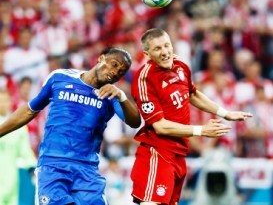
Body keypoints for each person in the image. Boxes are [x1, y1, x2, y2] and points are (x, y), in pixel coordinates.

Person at [0, 46, 141, 205]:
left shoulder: (111, 96)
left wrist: (121, 95)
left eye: (121, 72)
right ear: (101, 58)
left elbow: (134, 121)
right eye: (114, 64)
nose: (116, 72)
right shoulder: (60, 78)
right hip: (53, 168)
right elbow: (30, 110)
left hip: (87, 172)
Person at [130, 28, 253, 205]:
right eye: (157, 49)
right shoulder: (145, 79)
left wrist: (226, 113)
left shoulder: (180, 66)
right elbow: (160, 126)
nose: (165, 52)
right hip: (158, 153)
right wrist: (201, 130)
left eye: (167, 46)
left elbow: (192, 95)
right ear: (147, 54)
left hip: (179, 154)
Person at [0, 89, 37, 205]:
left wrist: (32, 171)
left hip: (11, 179)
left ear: (10, 102)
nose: (2, 104)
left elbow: (25, 151)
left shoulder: (18, 126)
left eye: (5, 101)